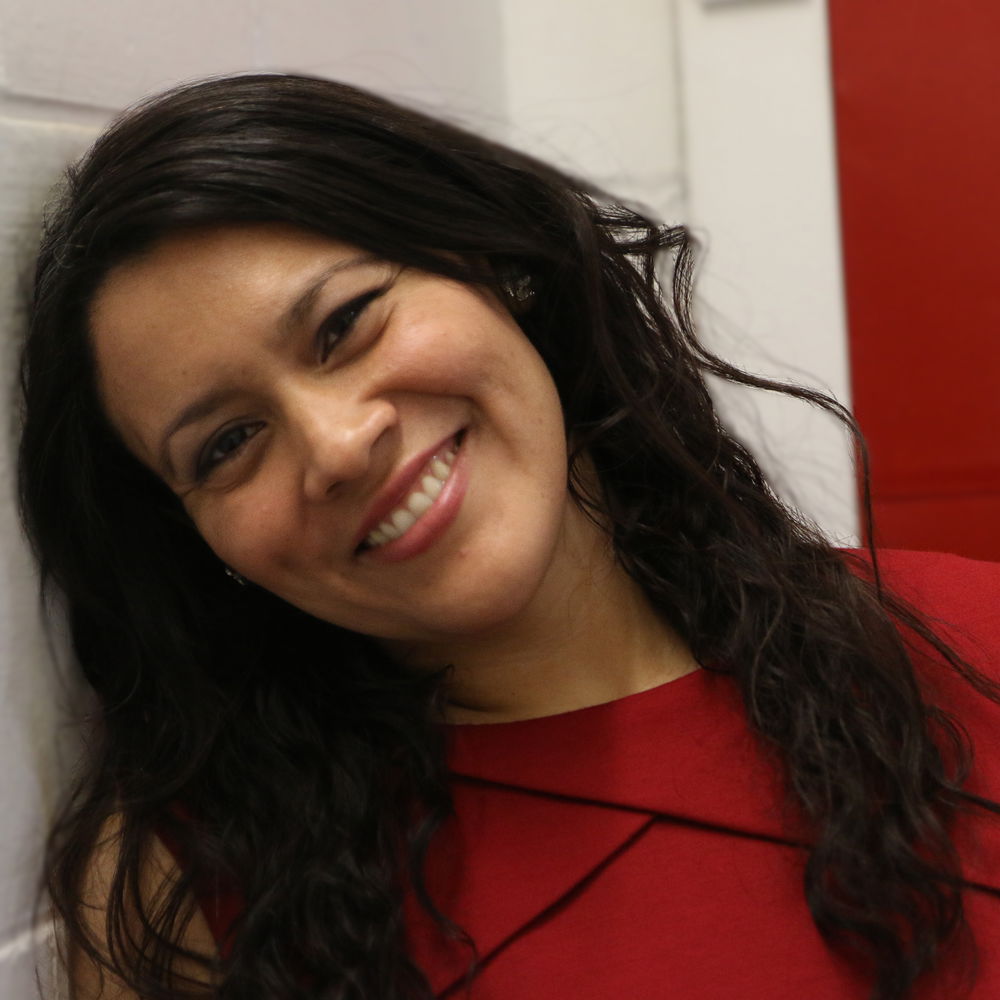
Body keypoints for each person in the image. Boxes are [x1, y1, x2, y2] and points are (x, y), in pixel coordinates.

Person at [17, 73, 1000, 1000]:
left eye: (345, 323)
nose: (338, 444)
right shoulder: (193, 882)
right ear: (197, 539)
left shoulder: (967, 637)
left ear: (498, 268)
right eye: (229, 441)